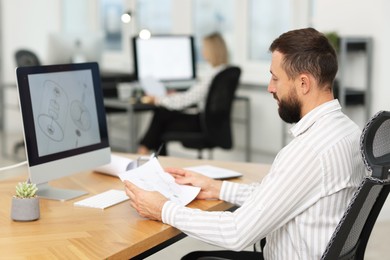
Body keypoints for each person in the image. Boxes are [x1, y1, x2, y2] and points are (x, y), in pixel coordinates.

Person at [124, 28, 367, 259]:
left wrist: (163, 209)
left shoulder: (308, 152)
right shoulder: (347, 130)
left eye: (275, 78)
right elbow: (277, 194)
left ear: (303, 83)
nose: (270, 88)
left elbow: (236, 232)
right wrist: (216, 188)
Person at [137, 32, 229, 155]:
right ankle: (148, 155)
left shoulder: (212, 76)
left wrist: (158, 100)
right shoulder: (223, 72)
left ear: (213, 50)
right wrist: (170, 97)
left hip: (201, 124)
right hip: (209, 124)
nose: (202, 51)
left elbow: (186, 100)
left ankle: (142, 153)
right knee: (162, 119)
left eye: (204, 48)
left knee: (161, 114)